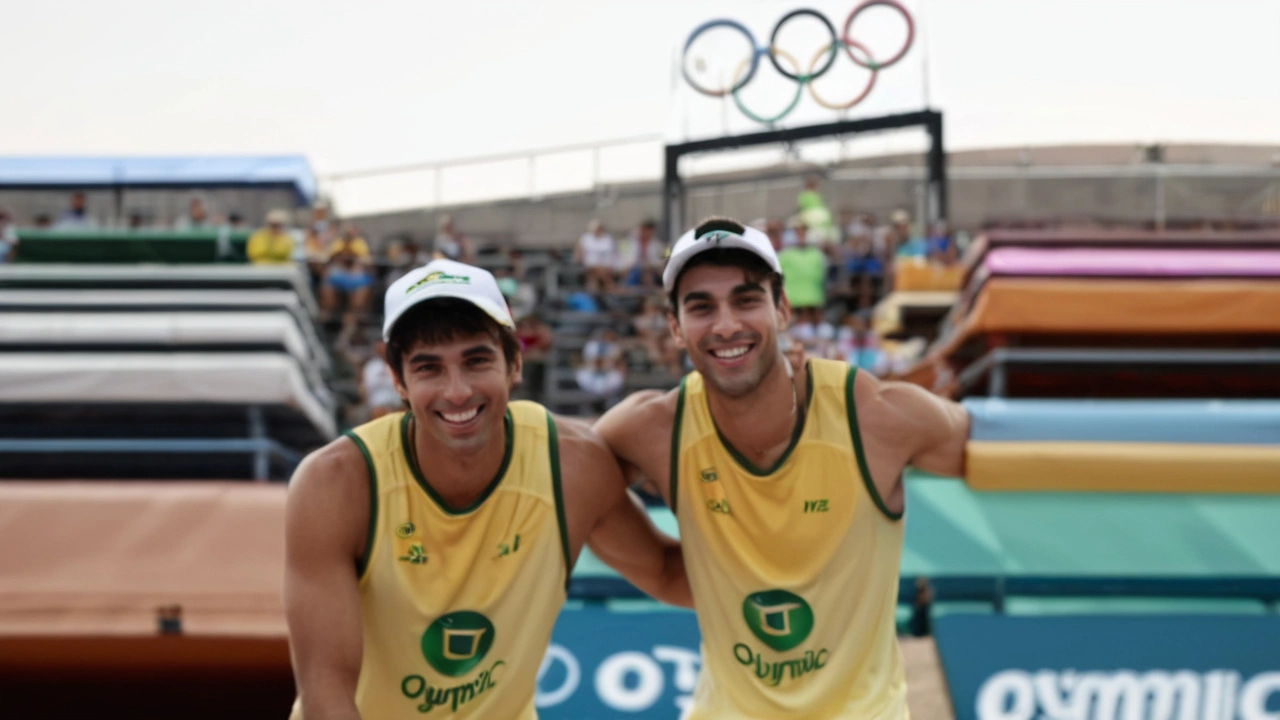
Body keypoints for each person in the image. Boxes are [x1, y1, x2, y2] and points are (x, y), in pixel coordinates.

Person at [595, 217, 970, 720]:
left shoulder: (875, 415)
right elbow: (571, 485)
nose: (726, 324)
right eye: (701, 307)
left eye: (746, 299)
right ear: (675, 329)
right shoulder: (649, 429)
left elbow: (998, 447)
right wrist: (718, 585)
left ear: (784, 310)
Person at [284, 259, 691, 720]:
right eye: (428, 368)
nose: (457, 391)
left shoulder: (570, 463)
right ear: (397, 380)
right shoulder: (336, 483)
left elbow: (666, 571)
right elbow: (325, 690)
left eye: (476, 361)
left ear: (515, 362)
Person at [574, 219, 616, 293]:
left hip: (606, 265)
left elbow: (613, 253)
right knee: (598, 271)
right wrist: (580, 259)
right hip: (590, 264)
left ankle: (599, 289)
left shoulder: (607, 238)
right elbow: (579, 252)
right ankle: (609, 286)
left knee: (601, 271)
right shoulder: (586, 238)